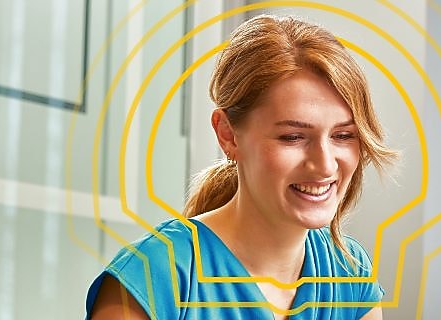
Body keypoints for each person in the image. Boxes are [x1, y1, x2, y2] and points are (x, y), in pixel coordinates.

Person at [86, 15, 396, 320]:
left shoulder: (350, 273)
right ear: (228, 135)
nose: (325, 164)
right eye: (292, 137)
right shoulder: (154, 276)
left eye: (343, 136)